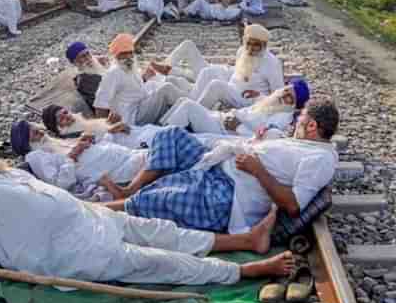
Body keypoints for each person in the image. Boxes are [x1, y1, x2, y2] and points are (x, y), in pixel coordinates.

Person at [0, 137, 295, 285]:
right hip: (71, 251)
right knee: (156, 260)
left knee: (160, 230)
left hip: (89, 219)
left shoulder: (2, 174)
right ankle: (243, 271)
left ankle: (244, 239)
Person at [100, 97, 340, 235]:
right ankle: (131, 189)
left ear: (311, 126)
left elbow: (293, 206)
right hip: (219, 165)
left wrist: (258, 169)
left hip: (228, 193)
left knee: (156, 198)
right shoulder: (308, 146)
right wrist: (260, 141)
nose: (296, 125)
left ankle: (95, 209)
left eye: (300, 121)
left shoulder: (320, 160)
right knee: (170, 135)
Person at [11, 120, 147, 192]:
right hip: (119, 170)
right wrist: (72, 155)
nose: (41, 133)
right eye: (36, 134)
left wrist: (88, 140)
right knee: (160, 147)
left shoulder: (51, 143)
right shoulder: (35, 156)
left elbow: (83, 150)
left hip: (127, 156)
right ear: (28, 143)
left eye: (39, 130)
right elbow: (60, 184)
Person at [168, 26, 284, 110]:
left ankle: (193, 110)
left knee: (216, 85)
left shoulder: (272, 63)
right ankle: (191, 102)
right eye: (248, 43)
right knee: (207, 71)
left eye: (256, 45)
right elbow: (238, 72)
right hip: (233, 87)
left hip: (247, 99)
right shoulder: (242, 51)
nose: (250, 48)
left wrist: (260, 97)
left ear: (264, 45)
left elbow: (279, 93)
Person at [161, 79, 310, 138]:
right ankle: (159, 129)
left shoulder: (282, 118)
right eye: (285, 90)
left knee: (188, 106)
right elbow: (265, 107)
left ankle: (157, 141)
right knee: (182, 100)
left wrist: (238, 127)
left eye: (290, 97)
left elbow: (262, 141)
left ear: (293, 105)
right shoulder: (275, 103)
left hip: (225, 131)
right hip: (221, 119)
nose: (284, 96)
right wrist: (259, 96)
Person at [93, 34, 185, 126]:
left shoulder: (130, 67)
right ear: (116, 56)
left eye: (130, 52)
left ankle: (187, 106)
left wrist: (144, 78)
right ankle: (193, 103)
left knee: (168, 81)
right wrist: (105, 131)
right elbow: (100, 104)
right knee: (166, 88)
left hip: (141, 106)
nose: (128, 56)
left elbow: (131, 88)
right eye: (124, 54)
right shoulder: (113, 73)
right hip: (133, 118)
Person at [42, 104, 167, 150]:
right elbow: (98, 148)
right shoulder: (70, 139)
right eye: (61, 118)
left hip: (133, 133)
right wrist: (111, 130)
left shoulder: (81, 123)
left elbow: (99, 129)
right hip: (130, 145)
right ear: (58, 127)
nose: (66, 117)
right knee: (166, 135)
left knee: (164, 131)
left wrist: (110, 122)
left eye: (65, 112)